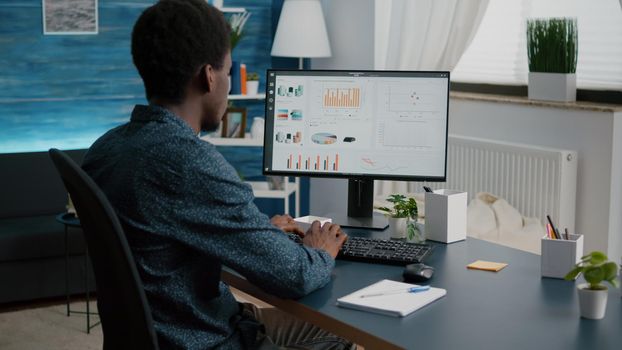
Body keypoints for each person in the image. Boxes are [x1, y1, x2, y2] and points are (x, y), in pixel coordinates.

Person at [82, 0, 351, 349]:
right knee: (342, 337)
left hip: (169, 331)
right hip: (208, 339)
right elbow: (295, 276)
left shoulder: (106, 148)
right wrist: (321, 250)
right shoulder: (189, 163)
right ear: (209, 76)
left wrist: (257, 233)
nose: (226, 81)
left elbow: (162, 242)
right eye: (227, 71)